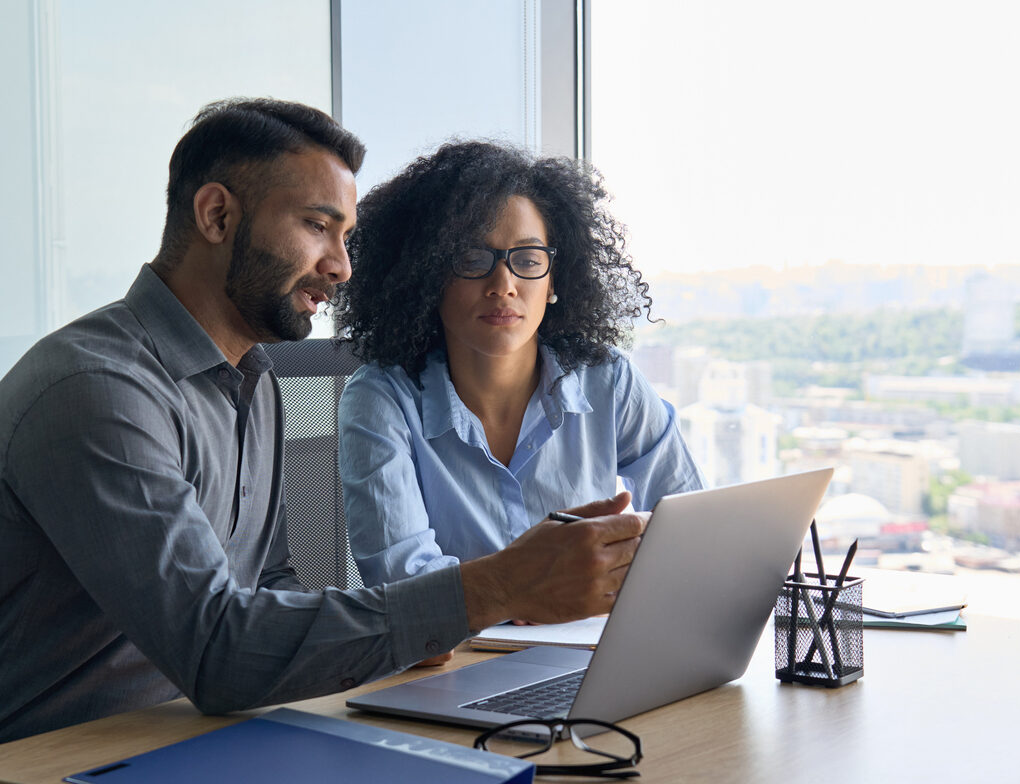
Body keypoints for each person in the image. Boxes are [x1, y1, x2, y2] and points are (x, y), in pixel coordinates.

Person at [0, 99, 646, 744]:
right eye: (318, 226)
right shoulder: (99, 391)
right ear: (217, 215)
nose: (342, 265)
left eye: (345, 236)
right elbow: (217, 653)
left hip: (203, 734)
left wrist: (398, 632)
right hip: (62, 751)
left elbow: (271, 583)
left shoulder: (252, 379)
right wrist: (494, 588)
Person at [335, 141, 703, 591]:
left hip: (593, 646)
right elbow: (404, 585)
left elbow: (691, 525)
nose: (504, 284)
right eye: (473, 259)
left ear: (553, 281)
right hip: (456, 658)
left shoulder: (608, 380)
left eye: (528, 260)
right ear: (429, 275)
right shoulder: (380, 400)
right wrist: (523, 594)